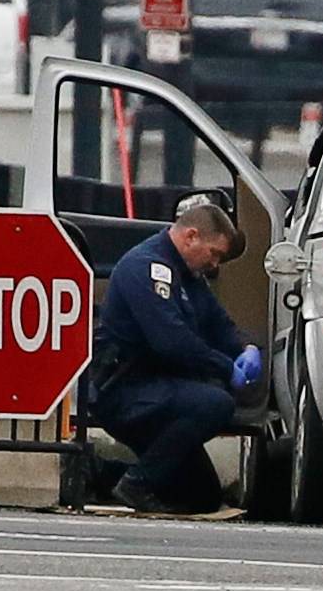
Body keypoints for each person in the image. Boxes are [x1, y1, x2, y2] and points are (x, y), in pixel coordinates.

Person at [88, 196, 262, 514]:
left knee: (202, 497)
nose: (215, 265)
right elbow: (172, 342)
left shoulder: (186, 274)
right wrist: (226, 368)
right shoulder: (147, 268)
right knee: (216, 403)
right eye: (214, 254)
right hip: (124, 390)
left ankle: (99, 472)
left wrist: (246, 349)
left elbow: (218, 323)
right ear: (191, 236)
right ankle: (136, 483)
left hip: (157, 390)